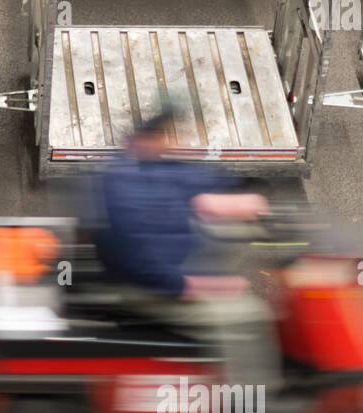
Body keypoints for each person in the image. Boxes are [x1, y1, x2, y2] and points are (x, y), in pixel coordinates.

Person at [89, 109, 284, 395]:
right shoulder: (124, 197)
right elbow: (149, 269)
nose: (172, 144)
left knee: (230, 230)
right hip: (151, 289)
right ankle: (253, 403)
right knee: (248, 314)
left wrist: (249, 192)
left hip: (173, 257)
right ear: (144, 140)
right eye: (165, 137)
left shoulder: (150, 166)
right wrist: (210, 286)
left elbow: (197, 181)